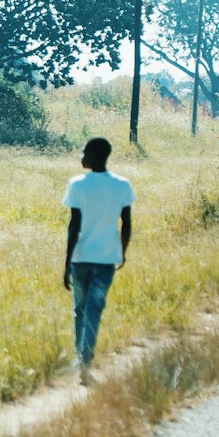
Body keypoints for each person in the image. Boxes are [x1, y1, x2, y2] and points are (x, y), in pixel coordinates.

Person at [62, 137, 134, 376]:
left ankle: (80, 358)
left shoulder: (77, 185)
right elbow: (126, 223)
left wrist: (66, 263)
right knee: (95, 309)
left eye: (84, 152)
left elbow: (74, 225)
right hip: (105, 260)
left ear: (94, 155)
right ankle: (86, 358)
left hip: (80, 258)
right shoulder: (122, 185)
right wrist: (122, 253)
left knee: (80, 309)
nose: (81, 157)